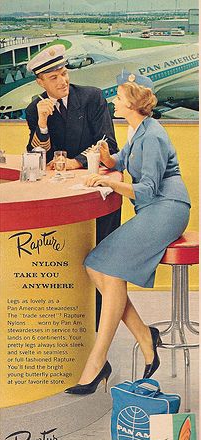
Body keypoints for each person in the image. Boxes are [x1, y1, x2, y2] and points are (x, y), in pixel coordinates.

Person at [65, 70, 191, 395]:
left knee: (105, 268)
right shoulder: (138, 129)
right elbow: (126, 158)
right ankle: (145, 338)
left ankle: (96, 363)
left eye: (118, 98)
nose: (113, 102)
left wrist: (109, 181)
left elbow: (147, 189)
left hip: (167, 209)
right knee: (97, 267)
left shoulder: (152, 136)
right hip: (155, 210)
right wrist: (109, 159)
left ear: (132, 102)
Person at [25, 44, 121, 328]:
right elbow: (36, 159)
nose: (63, 81)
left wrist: (76, 162)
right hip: (62, 196)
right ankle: (68, 328)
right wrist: (42, 124)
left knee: (101, 260)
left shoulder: (91, 97)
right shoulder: (35, 108)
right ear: (40, 82)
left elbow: (108, 143)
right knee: (65, 260)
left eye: (64, 73)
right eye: (53, 78)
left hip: (97, 192)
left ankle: (101, 324)